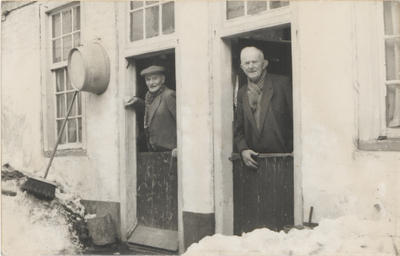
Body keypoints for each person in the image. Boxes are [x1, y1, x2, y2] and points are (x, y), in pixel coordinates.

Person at [235, 46, 293, 169]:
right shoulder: (242, 93)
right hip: (256, 164)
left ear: (264, 64)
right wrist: (243, 149)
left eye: (255, 62)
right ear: (242, 67)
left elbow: (300, 121)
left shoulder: (283, 84)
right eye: (247, 63)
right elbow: (238, 129)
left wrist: (298, 152)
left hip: (286, 161)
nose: (251, 66)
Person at [124, 65, 177, 156]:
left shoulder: (169, 95)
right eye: (148, 79)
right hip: (154, 151)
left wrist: (180, 147)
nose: (151, 83)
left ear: (162, 79)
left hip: (171, 152)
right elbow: (151, 111)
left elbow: (183, 123)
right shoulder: (150, 98)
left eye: (154, 78)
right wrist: (136, 102)